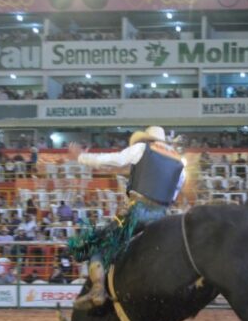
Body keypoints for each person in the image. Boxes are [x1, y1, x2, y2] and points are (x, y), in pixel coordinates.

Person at [66, 125, 186, 308]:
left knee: (99, 245)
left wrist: (82, 157)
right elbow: (175, 192)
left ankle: (98, 290)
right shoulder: (179, 163)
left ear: (147, 138)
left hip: (138, 211)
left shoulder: (142, 148)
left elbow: (115, 159)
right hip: (162, 217)